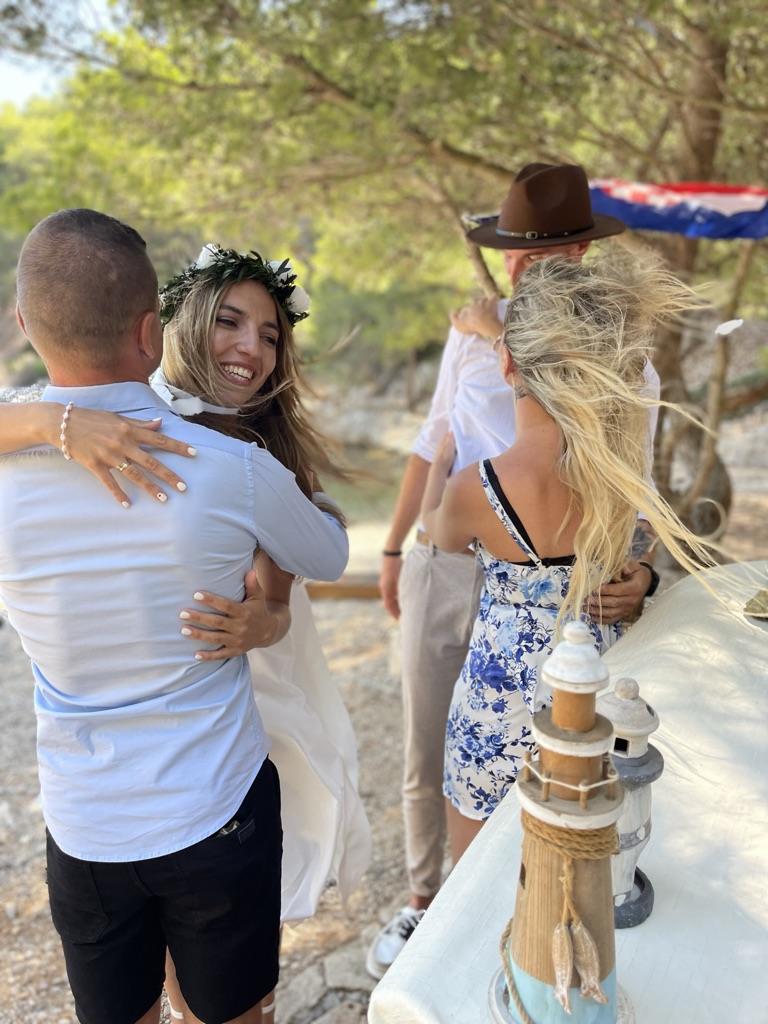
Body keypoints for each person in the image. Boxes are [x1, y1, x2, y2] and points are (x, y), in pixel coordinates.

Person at [0, 240, 371, 1022]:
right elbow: (330, 549)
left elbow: (295, 574)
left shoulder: (15, 461)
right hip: (211, 803)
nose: (250, 348)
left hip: (89, 819)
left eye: (268, 334)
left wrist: (271, 614)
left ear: (25, 324)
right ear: (156, 331)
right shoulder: (229, 467)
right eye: (230, 322)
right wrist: (60, 424)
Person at [368, 162, 660, 979]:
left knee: (526, 762)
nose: (523, 267)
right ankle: (429, 904)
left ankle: (499, 947)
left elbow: (641, 496)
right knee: (428, 737)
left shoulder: (622, 359)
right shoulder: (468, 338)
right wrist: (393, 549)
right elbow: (432, 440)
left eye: (543, 253)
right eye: (514, 253)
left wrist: (643, 578)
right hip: (456, 566)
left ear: (580, 251)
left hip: (546, 584)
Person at [421, 249, 714, 861]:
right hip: (598, 696)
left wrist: (435, 475)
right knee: (593, 866)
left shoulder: (473, 489)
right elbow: (639, 550)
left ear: (507, 361)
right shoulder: (619, 478)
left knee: (475, 884)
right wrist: (643, 578)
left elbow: (438, 552)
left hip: (497, 701)